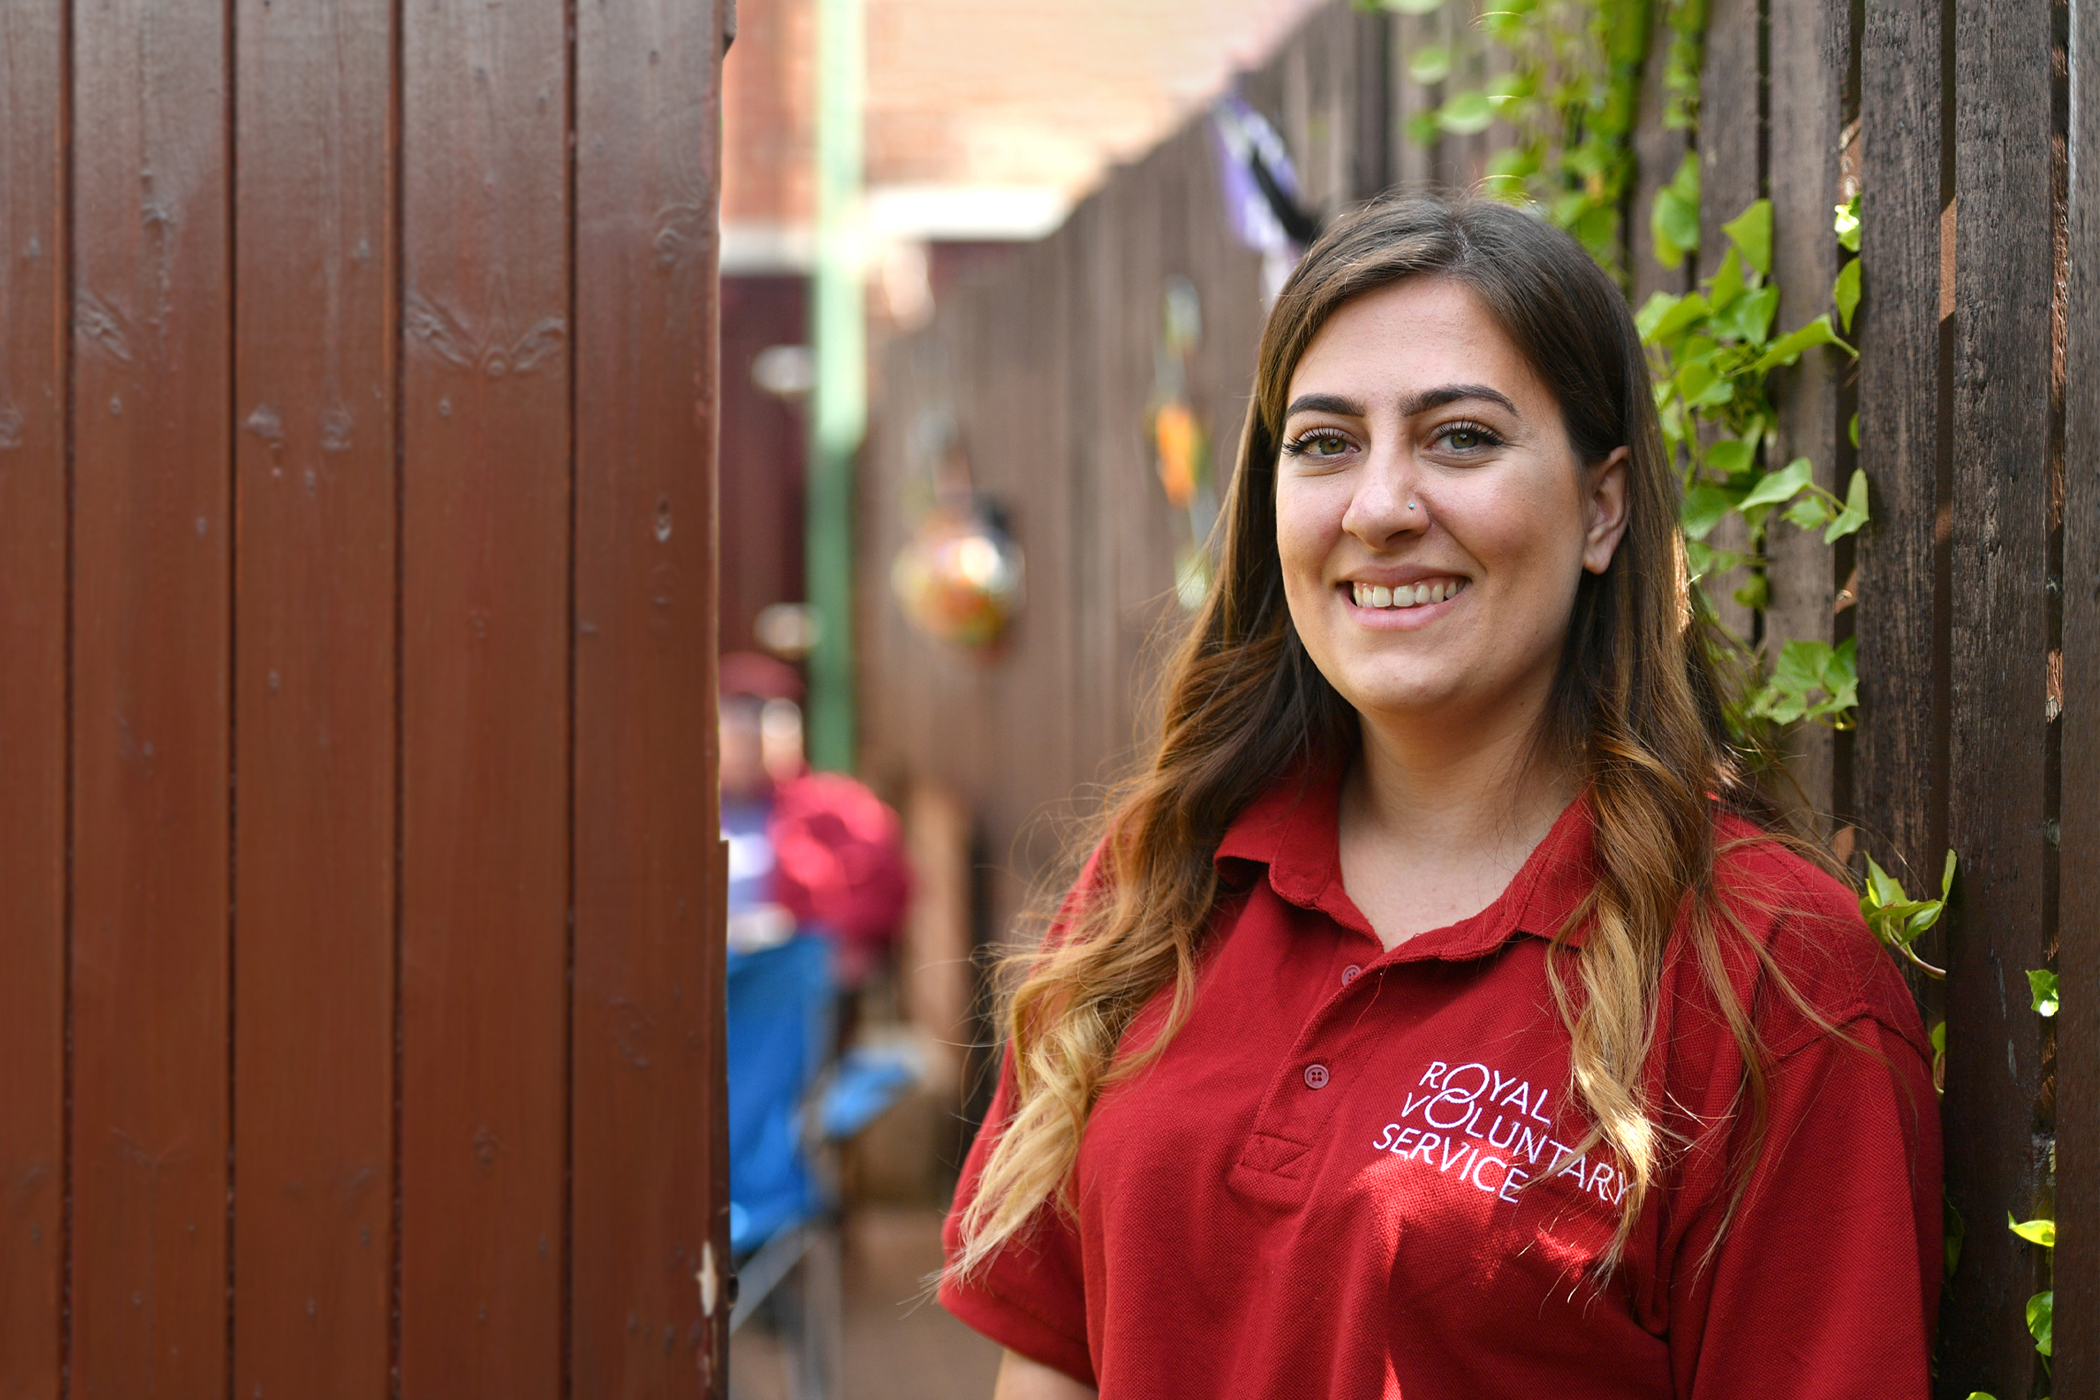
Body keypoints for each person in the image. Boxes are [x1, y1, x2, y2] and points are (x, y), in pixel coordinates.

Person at [937, 196, 1941, 1399]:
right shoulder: (1165, 879)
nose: (1380, 506)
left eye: (1460, 436)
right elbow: (1052, 1351)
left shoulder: (1772, 978)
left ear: (1603, 508)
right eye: (1324, 443)